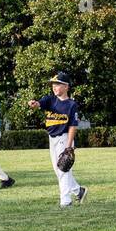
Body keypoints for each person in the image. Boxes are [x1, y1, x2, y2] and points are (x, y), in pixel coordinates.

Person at [28, 72, 87, 207]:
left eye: (58, 84)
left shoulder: (71, 105)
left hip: (65, 137)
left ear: (66, 87)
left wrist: (69, 146)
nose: (55, 87)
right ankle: (79, 191)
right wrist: (34, 103)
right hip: (52, 138)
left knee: (63, 169)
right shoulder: (50, 100)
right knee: (58, 168)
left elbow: (73, 126)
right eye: (53, 84)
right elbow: (39, 104)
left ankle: (65, 201)